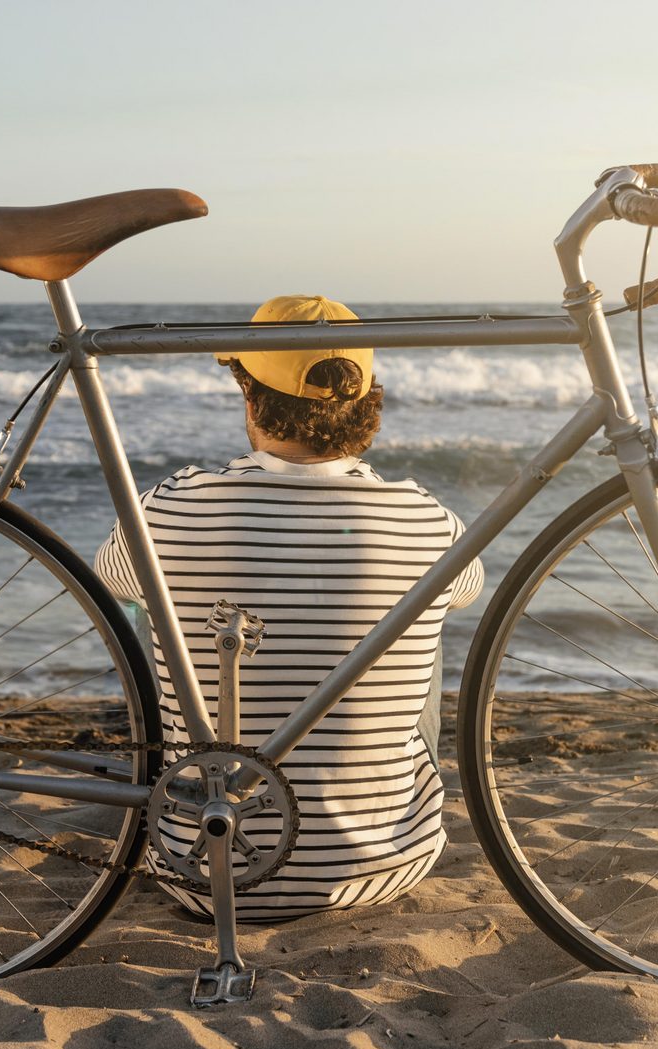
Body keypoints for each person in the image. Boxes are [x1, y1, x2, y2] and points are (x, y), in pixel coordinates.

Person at [94, 294, 483, 922]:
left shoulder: (167, 510)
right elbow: (470, 588)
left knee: (151, 601)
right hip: (385, 868)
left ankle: (190, 776)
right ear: (364, 400)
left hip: (195, 875)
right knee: (422, 613)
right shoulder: (426, 520)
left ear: (251, 397)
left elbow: (109, 577)